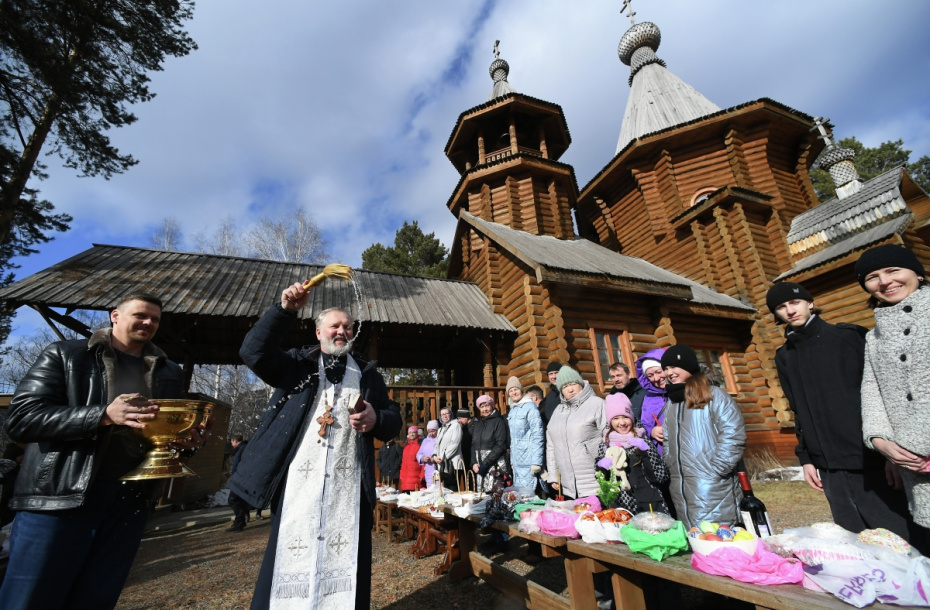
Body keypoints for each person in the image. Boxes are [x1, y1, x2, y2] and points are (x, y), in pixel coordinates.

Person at [0, 293, 207, 609]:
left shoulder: (167, 372)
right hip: (59, 496)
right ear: (115, 316)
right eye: (140, 315)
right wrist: (103, 415)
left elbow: (161, 434)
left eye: (155, 319)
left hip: (129, 501)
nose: (148, 323)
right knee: (30, 598)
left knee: (96, 598)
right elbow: (21, 419)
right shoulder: (67, 355)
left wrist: (184, 444)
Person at [227, 282, 402, 610]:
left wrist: (377, 418)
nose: (341, 331)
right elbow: (254, 352)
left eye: (347, 326)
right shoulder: (298, 365)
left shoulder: (367, 375)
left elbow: (394, 419)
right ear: (318, 331)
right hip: (298, 487)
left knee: (346, 571)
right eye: (334, 325)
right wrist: (284, 310)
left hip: (347, 492)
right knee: (284, 568)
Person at [767, 281, 913, 540]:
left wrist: (891, 452)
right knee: (857, 545)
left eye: (795, 302)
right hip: (830, 469)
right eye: (781, 307)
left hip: (871, 460)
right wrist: (807, 458)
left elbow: (883, 395)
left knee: (901, 541)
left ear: (809, 303)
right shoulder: (785, 357)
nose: (790, 310)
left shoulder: (849, 337)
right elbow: (797, 407)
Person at [857, 245, 930, 553]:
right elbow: (871, 390)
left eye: (893, 270)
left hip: (915, 453)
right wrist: (880, 441)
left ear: (918, 272)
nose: (884, 281)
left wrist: (913, 444)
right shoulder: (873, 338)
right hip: (915, 467)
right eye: (873, 277)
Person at [661, 345, 746, 529]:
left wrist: (717, 469)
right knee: (696, 541)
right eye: (666, 369)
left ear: (688, 366)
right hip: (681, 486)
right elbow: (667, 439)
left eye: (673, 367)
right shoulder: (672, 403)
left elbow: (733, 433)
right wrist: (670, 462)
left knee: (720, 541)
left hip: (713, 485)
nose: (669, 373)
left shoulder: (714, 395)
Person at [596, 394, 670, 514]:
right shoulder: (605, 445)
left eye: (625, 417)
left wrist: (647, 452)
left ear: (632, 417)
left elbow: (660, 477)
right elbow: (602, 482)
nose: (622, 422)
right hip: (620, 508)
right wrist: (601, 467)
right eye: (616, 418)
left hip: (648, 506)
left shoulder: (642, 440)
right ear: (610, 422)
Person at [546, 366, 606, 500]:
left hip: (594, 480)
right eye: (565, 386)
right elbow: (551, 446)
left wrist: (608, 470)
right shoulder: (558, 411)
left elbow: (609, 437)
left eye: (573, 384)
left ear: (580, 383)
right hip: (568, 486)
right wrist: (553, 475)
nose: (570, 389)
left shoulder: (597, 404)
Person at [505, 376, 544, 490]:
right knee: (521, 498)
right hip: (517, 462)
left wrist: (537, 462)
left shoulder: (530, 407)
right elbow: (513, 439)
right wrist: (513, 460)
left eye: (515, 389)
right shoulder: (513, 410)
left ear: (521, 390)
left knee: (530, 497)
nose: (513, 392)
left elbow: (538, 435)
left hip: (529, 460)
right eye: (511, 391)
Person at [636, 349, 668, 455]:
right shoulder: (649, 398)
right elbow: (644, 424)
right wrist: (652, 432)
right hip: (662, 455)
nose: (656, 378)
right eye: (650, 376)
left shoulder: (684, 392)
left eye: (659, 372)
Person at [431, 407, 464, 490]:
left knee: (453, 489)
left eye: (446, 414)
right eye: (442, 414)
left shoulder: (456, 425)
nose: (444, 416)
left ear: (451, 414)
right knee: (445, 489)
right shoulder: (441, 429)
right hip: (442, 464)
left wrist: (443, 457)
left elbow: (455, 443)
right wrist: (435, 456)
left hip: (453, 464)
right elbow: (436, 445)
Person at [228, 434, 253, 532]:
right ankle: (240, 521)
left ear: (235, 441)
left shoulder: (242, 449)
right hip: (241, 478)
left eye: (232, 441)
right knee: (238, 500)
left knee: (232, 500)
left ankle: (240, 521)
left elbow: (240, 464)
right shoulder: (242, 449)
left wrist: (236, 475)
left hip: (240, 478)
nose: (231, 443)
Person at [399, 426, 424, 491]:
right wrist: (401, 475)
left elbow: (423, 462)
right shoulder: (406, 447)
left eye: (413, 432)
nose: (412, 434)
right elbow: (403, 463)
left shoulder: (420, 445)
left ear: (417, 434)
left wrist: (422, 475)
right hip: (405, 479)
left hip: (416, 478)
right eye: (410, 433)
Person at [539, 361, 563, 427]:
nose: (553, 376)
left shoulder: (567, 391)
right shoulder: (550, 396)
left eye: (556, 373)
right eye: (550, 374)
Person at [417, 420, 440, 486]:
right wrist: (422, 458)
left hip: (438, 469)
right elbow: (419, 453)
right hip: (428, 470)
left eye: (433, 431)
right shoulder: (425, 441)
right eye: (429, 431)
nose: (431, 434)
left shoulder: (440, 439)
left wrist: (434, 458)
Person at [456, 408, 474, 472]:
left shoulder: (475, 427)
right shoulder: (463, 428)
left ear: (466, 417)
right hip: (465, 459)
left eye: (460, 418)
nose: (458, 420)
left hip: (472, 459)